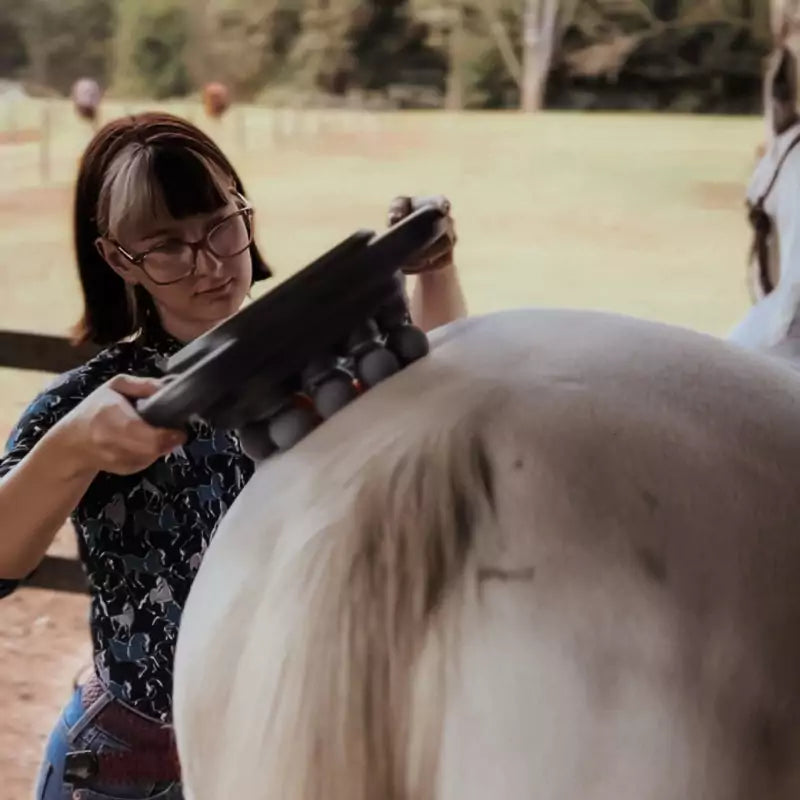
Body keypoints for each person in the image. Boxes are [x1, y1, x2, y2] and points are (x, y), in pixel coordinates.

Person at [0, 111, 467, 800]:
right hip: (134, 770)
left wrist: (434, 270)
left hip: (309, 746)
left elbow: (444, 409)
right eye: (167, 246)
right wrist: (72, 448)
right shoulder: (91, 402)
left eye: (221, 223)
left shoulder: (332, 352)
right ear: (117, 258)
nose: (210, 262)